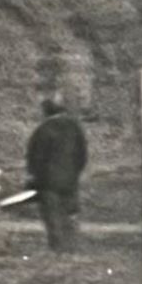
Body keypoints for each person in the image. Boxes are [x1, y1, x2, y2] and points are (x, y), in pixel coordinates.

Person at [24, 98, 87, 251]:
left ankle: (57, 248)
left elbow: (35, 156)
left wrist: (33, 175)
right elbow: (82, 155)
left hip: (48, 181)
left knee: (52, 215)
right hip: (70, 179)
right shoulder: (75, 128)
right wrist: (75, 172)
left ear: (45, 112)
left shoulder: (43, 129)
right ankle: (71, 247)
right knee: (69, 214)